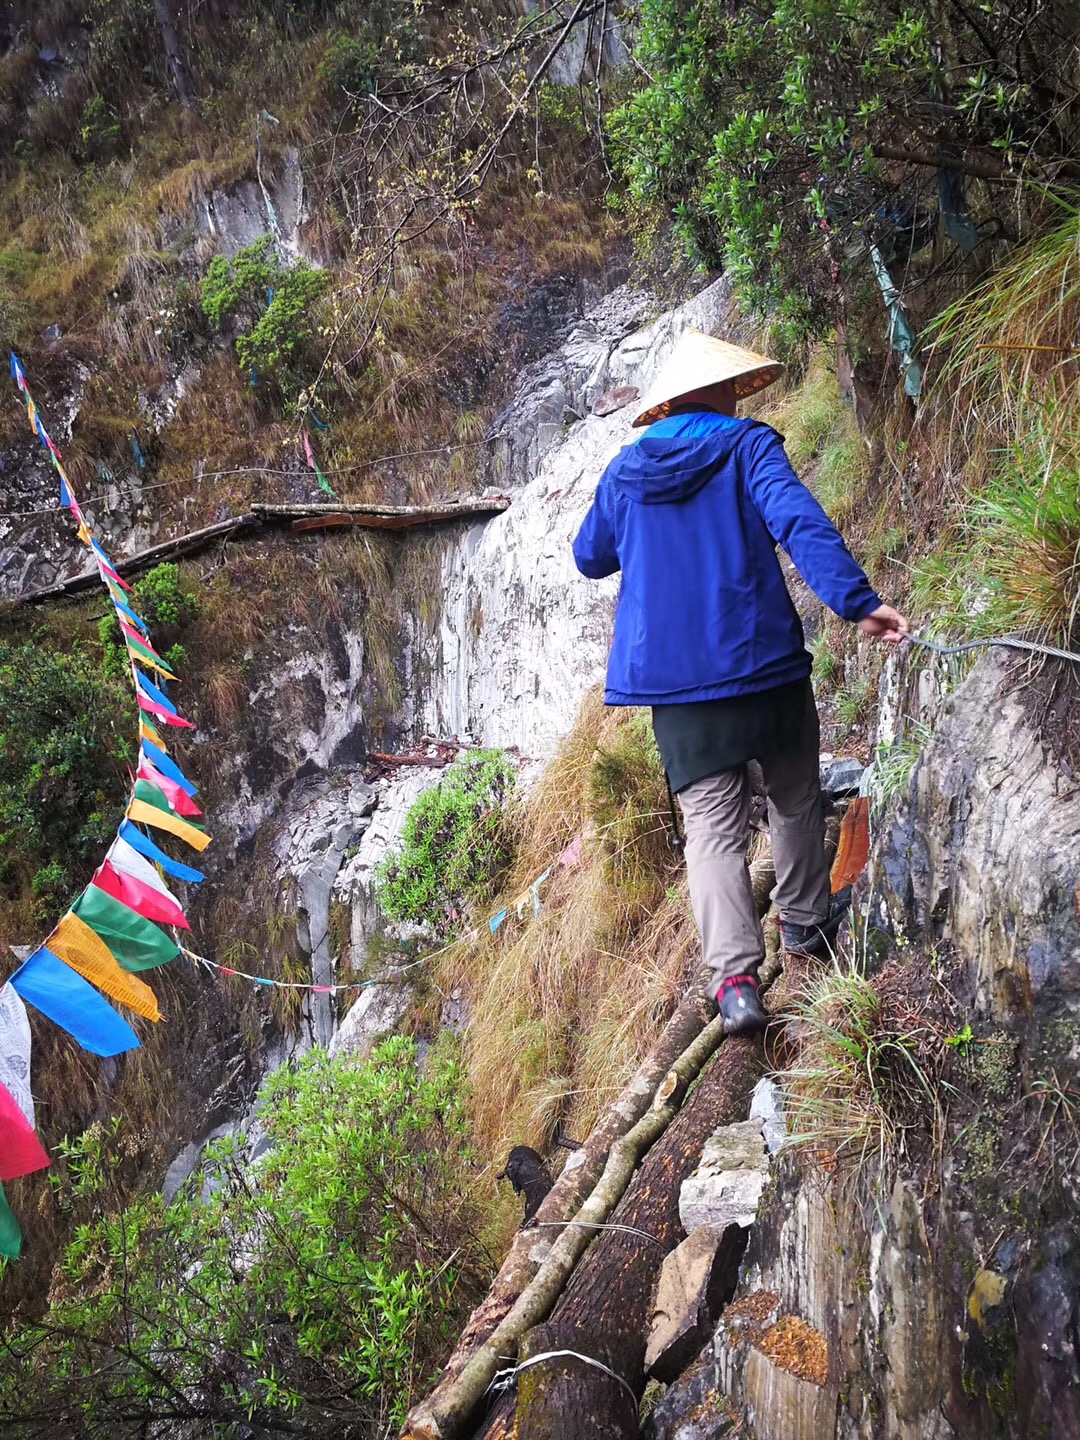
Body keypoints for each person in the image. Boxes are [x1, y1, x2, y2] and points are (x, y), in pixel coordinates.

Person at [572, 330, 909, 1035]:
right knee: (794, 797)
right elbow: (799, 522)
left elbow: (589, 556)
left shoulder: (626, 473)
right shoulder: (747, 446)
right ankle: (807, 935)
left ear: (668, 405)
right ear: (725, 391)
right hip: (762, 668)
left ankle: (735, 985)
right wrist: (857, 602)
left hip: (677, 691)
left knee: (712, 833)